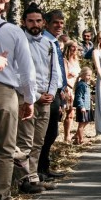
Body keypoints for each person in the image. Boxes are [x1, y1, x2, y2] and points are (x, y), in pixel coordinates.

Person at [0, 0, 36, 200]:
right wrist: (29, 99)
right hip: (3, 94)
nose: (2, 7)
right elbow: (27, 72)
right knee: (3, 150)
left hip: (6, 93)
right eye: (0, 1)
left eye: (5, 3)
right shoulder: (12, 31)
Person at [14, 4, 62, 194]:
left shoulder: (49, 43)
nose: (35, 24)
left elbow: (54, 72)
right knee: (24, 141)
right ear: (24, 22)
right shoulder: (19, 42)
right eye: (31, 21)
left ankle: (34, 178)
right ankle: (22, 181)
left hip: (46, 99)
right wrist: (34, 97)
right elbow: (17, 73)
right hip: (27, 99)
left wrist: (50, 93)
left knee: (38, 141)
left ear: (43, 22)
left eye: (38, 21)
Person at [36, 10, 70, 183]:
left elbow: (58, 68)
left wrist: (63, 88)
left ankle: (45, 167)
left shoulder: (55, 42)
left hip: (56, 91)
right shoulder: (44, 41)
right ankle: (39, 170)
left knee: (52, 132)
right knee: (45, 133)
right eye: (56, 22)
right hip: (47, 92)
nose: (59, 26)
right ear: (47, 23)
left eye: (62, 23)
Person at [61, 42, 83, 143]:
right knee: (69, 113)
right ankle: (66, 136)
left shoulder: (76, 61)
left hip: (77, 88)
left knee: (73, 114)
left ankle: (76, 135)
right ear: (68, 48)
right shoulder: (64, 61)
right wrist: (69, 89)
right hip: (69, 88)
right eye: (72, 47)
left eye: (76, 47)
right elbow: (64, 77)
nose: (74, 49)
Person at [73, 67, 94, 145]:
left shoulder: (86, 85)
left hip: (87, 106)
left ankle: (76, 136)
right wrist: (82, 106)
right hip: (83, 107)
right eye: (88, 75)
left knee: (87, 121)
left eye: (90, 75)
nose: (89, 77)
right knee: (81, 124)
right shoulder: (81, 85)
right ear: (82, 75)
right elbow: (79, 96)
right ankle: (81, 139)